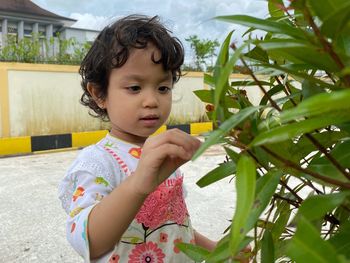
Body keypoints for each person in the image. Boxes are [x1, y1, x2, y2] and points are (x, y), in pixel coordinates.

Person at [58, 14, 218, 262]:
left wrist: (218, 250)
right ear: (100, 93)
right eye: (134, 88)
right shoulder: (97, 162)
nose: (152, 100)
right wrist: (139, 184)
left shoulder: (162, 151)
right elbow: (87, 241)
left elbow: (173, 226)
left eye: (163, 88)